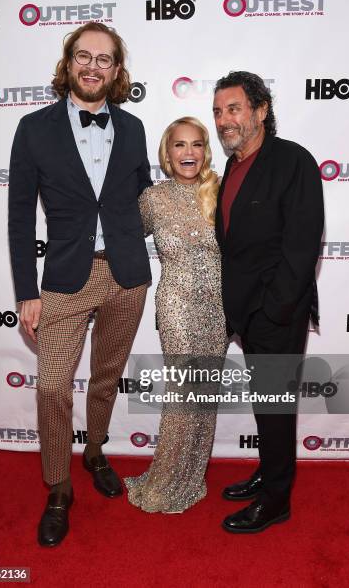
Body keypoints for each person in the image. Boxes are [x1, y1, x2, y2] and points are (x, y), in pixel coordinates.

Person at [8, 22, 152, 546]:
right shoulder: (33, 128)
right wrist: (26, 291)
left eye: (105, 59)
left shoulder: (134, 128)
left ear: (117, 71)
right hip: (65, 280)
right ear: (69, 63)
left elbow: (143, 200)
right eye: (84, 56)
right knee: (50, 386)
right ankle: (59, 488)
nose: (93, 66)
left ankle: (94, 451)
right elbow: (20, 216)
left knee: (107, 376)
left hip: (126, 276)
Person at [212, 71, 324, 533]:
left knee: (276, 405)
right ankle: (268, 471)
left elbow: (301, 246)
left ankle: (277, 499)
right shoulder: (235, 167)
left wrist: (273, 311)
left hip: (277, 312)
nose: (223, 120)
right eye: (217, 112)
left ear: (261, 111)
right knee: (267, 405)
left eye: (233, 109)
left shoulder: (293, 160)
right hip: (248, 313)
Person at [124, 117, 228, 513]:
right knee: (185, 393)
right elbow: (125, 239)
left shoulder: (221, 190)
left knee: (205, 394)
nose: (189, 153)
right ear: (167, 154)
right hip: (177, 305)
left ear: (205, 150)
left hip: (219, 308)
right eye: (180, 145)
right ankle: (167, 479)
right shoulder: (152, 198)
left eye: (197, 144)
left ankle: (191, 474)